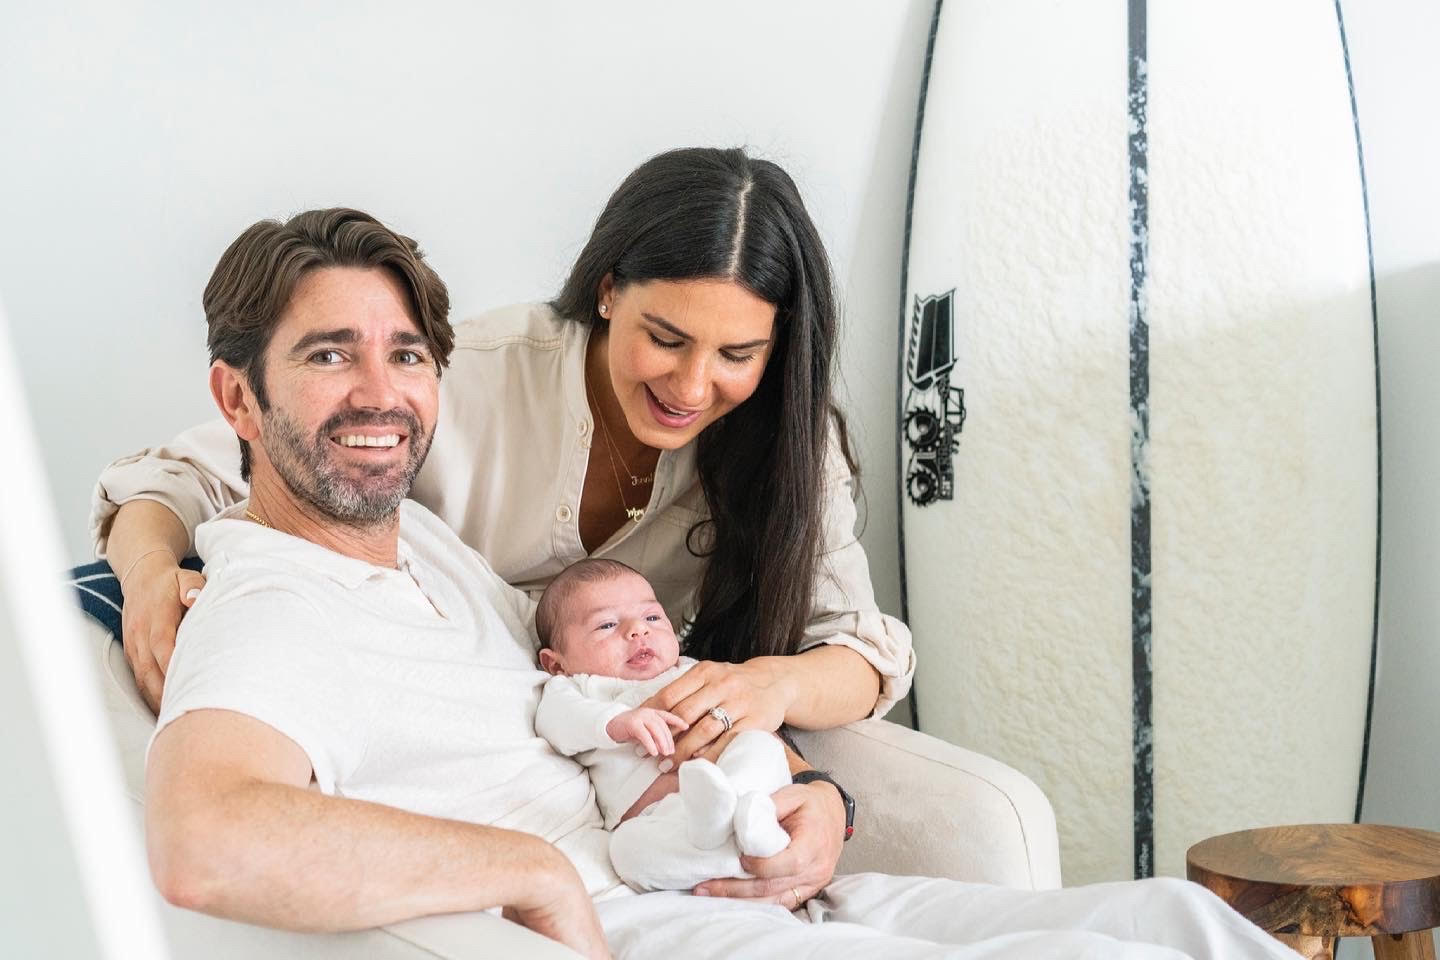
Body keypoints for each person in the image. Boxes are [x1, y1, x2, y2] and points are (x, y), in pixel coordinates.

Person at [148, 205, 1301, 959]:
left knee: (1176, 924)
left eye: (403, 354)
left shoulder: (425, 546)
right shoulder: (270, 602)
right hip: (635, 924)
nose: (379, 393)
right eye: (326, 354)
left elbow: (618, 689)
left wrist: (808, 788)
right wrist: (534, 871)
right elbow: (204, 839)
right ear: (237, 398)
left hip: (737, 879)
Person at [99, 146, 914, 903]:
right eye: (665, 339)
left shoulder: (785, 444)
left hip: (640, 775)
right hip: (522, 786)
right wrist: (144, 580)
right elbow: (189, 472)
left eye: (738, 355)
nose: (693, 387)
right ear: (606, 291)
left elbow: (863, 647)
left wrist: (799, 757)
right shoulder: (459, 384)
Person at [533, 558, 792, 892]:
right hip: (659, 819)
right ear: (556, 664)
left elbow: (748, 717)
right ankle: (744, 851)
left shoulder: (692, 671)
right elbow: (556, 722)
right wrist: (616, 723)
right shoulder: (576, 687)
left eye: (652, 617)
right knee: (624, 851)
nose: (638, 630)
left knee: (762, 746)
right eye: (607, 625)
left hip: (736, 785)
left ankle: (745, 815)